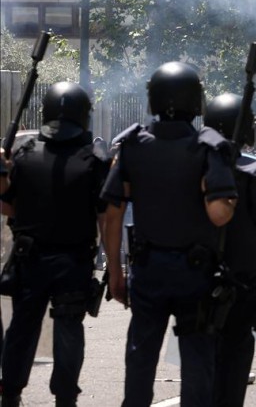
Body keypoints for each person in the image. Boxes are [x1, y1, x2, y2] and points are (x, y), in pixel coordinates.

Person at [101, 62, 238, 406]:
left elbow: (111, 214)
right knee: (196, 363)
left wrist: (115, 272)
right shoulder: (209, 147)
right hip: (196, 273)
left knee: (140, 359)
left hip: (147, 270)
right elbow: (220, 216)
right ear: (196, 102)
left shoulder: (132, 145)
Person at [0, 82, 110, 407]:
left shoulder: (25, 153)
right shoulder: (93, 159)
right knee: (68, 330)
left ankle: (10, 393)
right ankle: (65, 398)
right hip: (73, 260)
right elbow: (106, 216)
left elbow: (9, 206)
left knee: (22, 328)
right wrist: (112, 262)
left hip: (29, 258)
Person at [203, 92, 256, 406]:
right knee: (234, 361)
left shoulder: (194, 164)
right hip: (239, 283)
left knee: (200, 360)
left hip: (196, 277)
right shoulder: (252, 171)